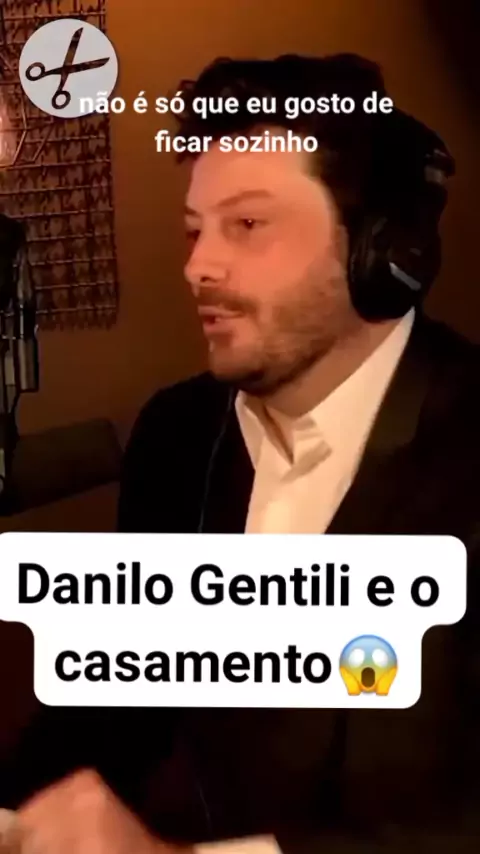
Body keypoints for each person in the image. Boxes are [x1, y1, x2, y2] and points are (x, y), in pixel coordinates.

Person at [1, 53, 479, 854]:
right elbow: (115, 699)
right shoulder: (179, 434)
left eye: (248, 225)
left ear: (385, 252)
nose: (198, 267)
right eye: (194, 231)